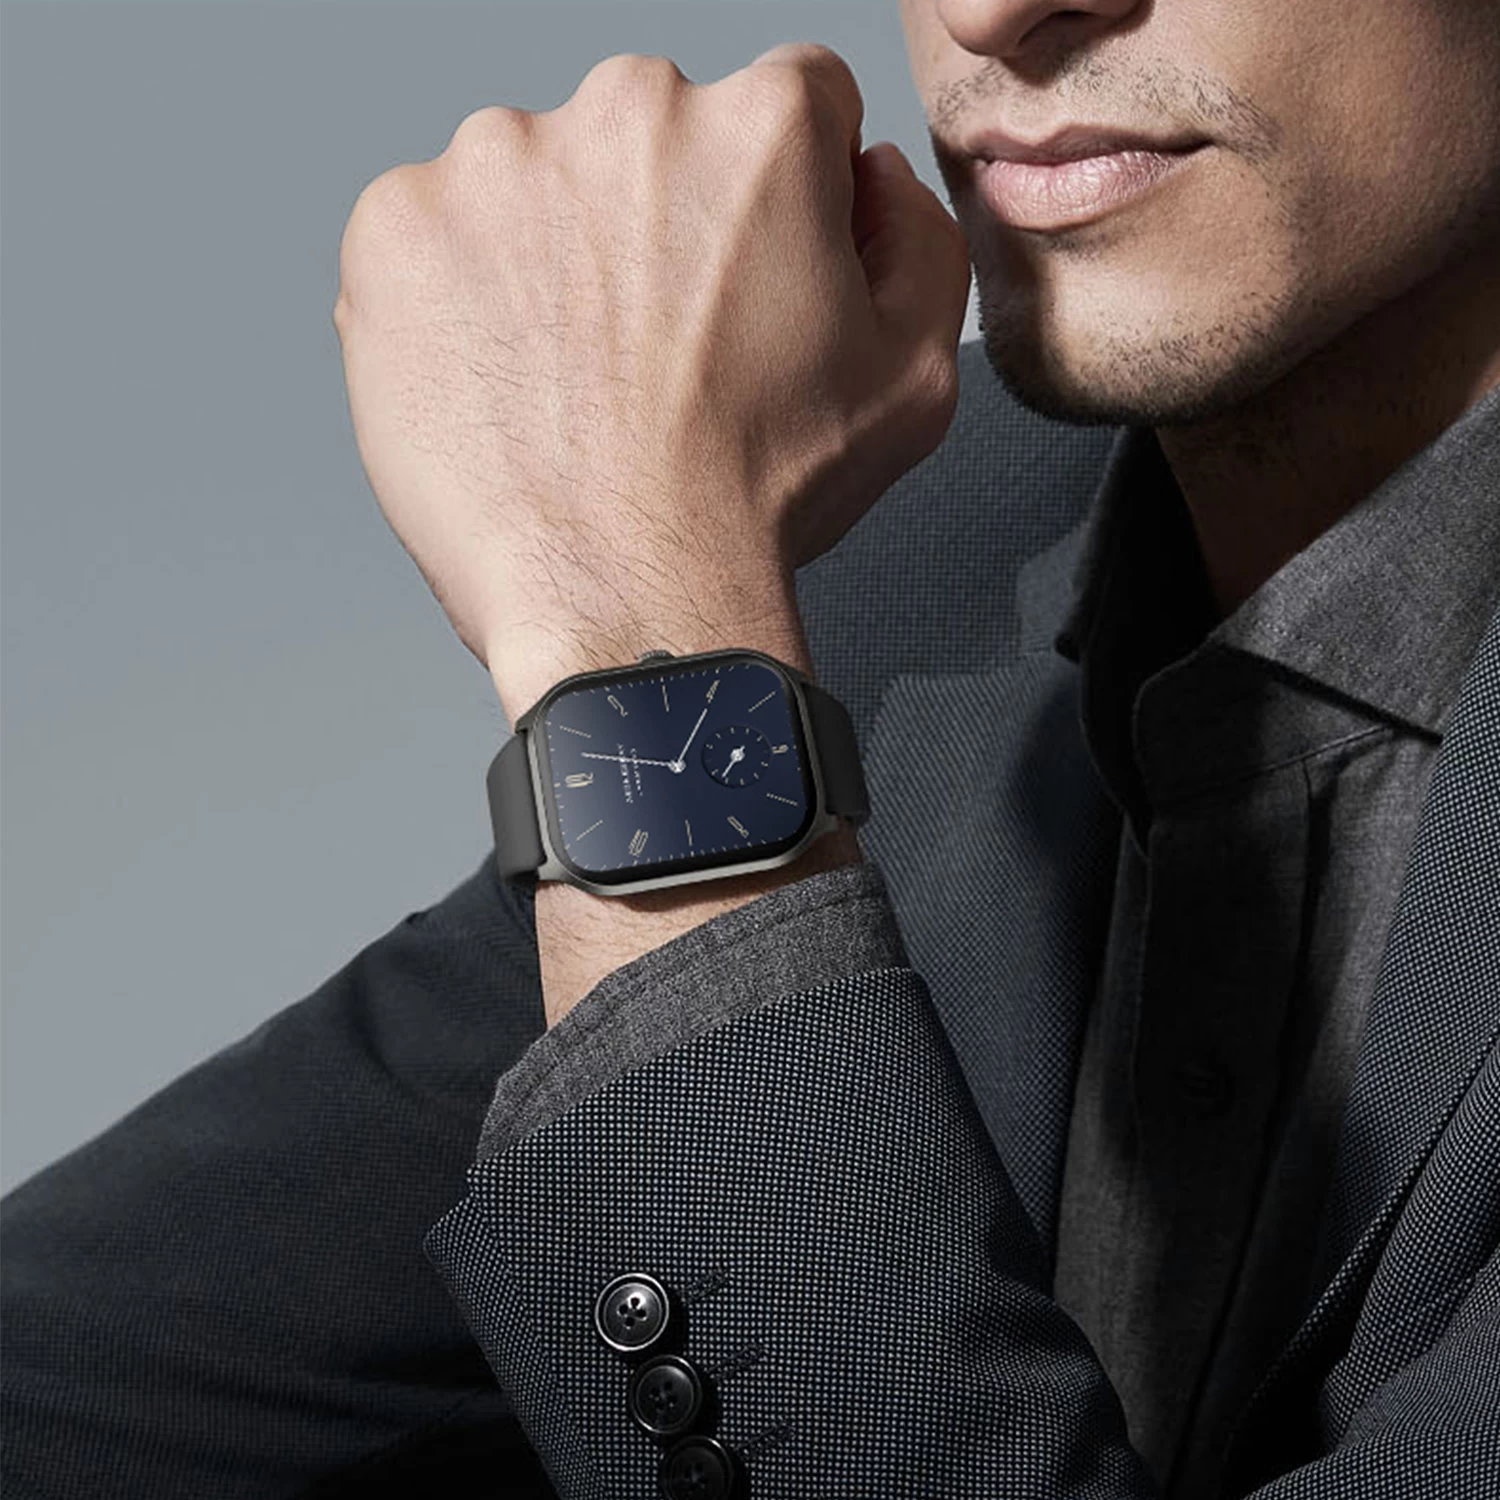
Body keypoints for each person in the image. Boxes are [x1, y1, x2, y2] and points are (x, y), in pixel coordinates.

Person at [4, 0, 1498, 1494]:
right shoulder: (917, 549)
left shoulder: (734, 581)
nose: (985, 9)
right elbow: (83, 1369)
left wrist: (633, 621)